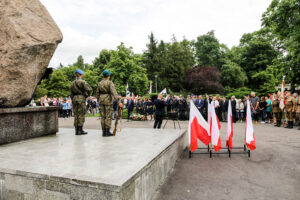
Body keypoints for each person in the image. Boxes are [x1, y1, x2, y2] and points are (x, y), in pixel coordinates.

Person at [96, 70, 123, 137]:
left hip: (101, 100)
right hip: (108, 100)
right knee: (108, 116)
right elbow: (114, 92)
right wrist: (119, 102)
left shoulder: (100, 83)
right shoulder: (110, 83)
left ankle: (103, 131)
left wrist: (99, 100)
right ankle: (107, 131)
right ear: (108, 76)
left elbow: (97, 93)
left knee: (102, 117)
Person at [70, 69, 92, 135]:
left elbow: (71, 93)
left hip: (74, 98)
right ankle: (80, 130)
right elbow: (89, 89)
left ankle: (76, 130)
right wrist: (87, 95)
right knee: (81, 114)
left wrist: (73, 99)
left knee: (76, 114)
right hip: (81, 98)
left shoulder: (72, 83)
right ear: (81, 74)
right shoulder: (82, 82)